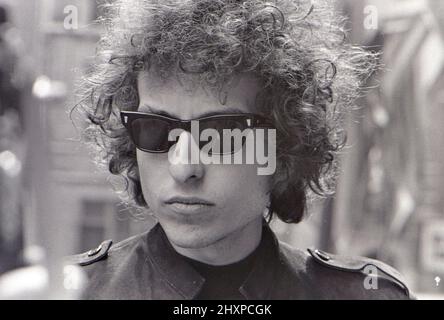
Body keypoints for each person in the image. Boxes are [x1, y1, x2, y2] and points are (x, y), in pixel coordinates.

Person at [68, 0, 415, 299]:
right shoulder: (77, 291)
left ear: (283, 147)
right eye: (155, 130)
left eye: (223, 134)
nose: (183, 167)